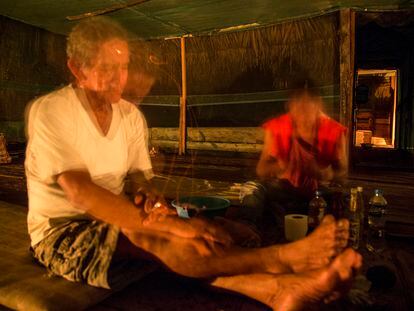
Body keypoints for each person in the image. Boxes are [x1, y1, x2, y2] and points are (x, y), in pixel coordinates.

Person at [25, 17, 360, 310]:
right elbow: (81, 192)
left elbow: (141, 180)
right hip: (64, 232)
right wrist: (168, 225)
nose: (119, 78)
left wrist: (156, 204)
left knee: (206, 233)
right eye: (106, 68)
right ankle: (282, 261)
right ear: (76, 68)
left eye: (123, 66)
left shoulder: (129, 116)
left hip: (118, 216)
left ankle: (278, 292)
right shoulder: (53, 111)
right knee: (163, 238)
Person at [240, 81, 348, 228]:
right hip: (283, 189)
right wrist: (281, 167)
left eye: (309, 105)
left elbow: (341, 171)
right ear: (289, 106)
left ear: (319, 106)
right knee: (251, 188)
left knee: (344, 200)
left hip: (317, 194)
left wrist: (322, 173)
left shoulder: (332, 132)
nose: (302, 111)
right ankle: (247, 228)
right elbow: (261, 169)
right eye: (297, 104)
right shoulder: (278, 128)